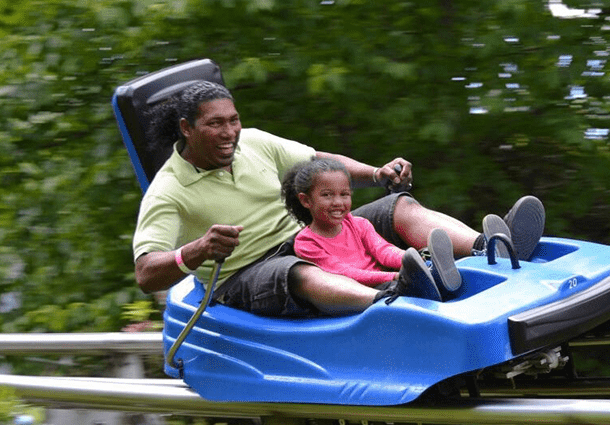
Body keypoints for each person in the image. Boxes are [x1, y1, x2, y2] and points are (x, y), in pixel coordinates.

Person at [132, 80, 545, 317]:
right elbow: (147, 272)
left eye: (234, 120)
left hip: (310, 233)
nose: (229, 132)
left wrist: (376, 174)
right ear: (187, 128)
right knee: (297, 270)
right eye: (215, 124)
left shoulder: (254, 143)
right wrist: (198, 248)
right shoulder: (168, 191)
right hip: (248, 273)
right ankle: (396, 295)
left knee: (396, 206)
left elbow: (319, 162)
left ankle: (488, 247)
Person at [281, 156, 461, 302]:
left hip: (389, 279)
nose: (338, 203)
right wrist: (393, 277)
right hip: (361, 292)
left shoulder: (358, 224)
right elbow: (344, 273)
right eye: (327, 195)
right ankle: (422, 282)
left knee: (414, 268)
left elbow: (383, 251)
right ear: (306, 200)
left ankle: (432, 265)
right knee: (399, 289)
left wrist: (408, 259)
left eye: (344, 194)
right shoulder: (306, 243)